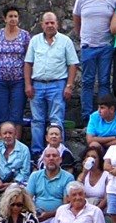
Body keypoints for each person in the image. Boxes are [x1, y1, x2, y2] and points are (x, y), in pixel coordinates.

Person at [24, 12, 79, 147]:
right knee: (37, 121)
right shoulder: (35, 41)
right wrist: (28, 85)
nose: (49, 25)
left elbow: (73, 64)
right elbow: (28, 63)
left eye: (52, 23)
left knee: (56, 120)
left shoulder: (65, 41)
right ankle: (37, 153)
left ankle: (57, 151)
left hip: (57, 85)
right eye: (47, 23)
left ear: (57, 24)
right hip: (37, 85)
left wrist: (69, 86)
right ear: (42, 25)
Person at [73, 0, 116, 113]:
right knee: (87, 82)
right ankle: (87, 114)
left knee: (104, 82)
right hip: (88, 46)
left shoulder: (113, 1)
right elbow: (77, 20)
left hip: (106, 46)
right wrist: (83, 37)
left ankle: (103, 113)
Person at [0, 7, 30, 125]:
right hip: (0, 80)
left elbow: (28, 59)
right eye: (10, 16)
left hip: (19, 80)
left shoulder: (25, 35)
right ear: (4, 18)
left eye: (15, 16)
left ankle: (16, 142)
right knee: (1, 115)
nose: (13, 19)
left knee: (17, 115)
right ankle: (1, 142)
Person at [27, 146, 75, 223]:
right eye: (48, 156)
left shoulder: (68, 177)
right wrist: (34, 213)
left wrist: (49, 215)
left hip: (57, 216)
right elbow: (27, 199)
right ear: (43, 160)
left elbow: (66, 205)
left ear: (60, 160)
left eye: (54, 156)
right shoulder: (35, 176)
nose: (51, 158)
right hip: (36, 215)